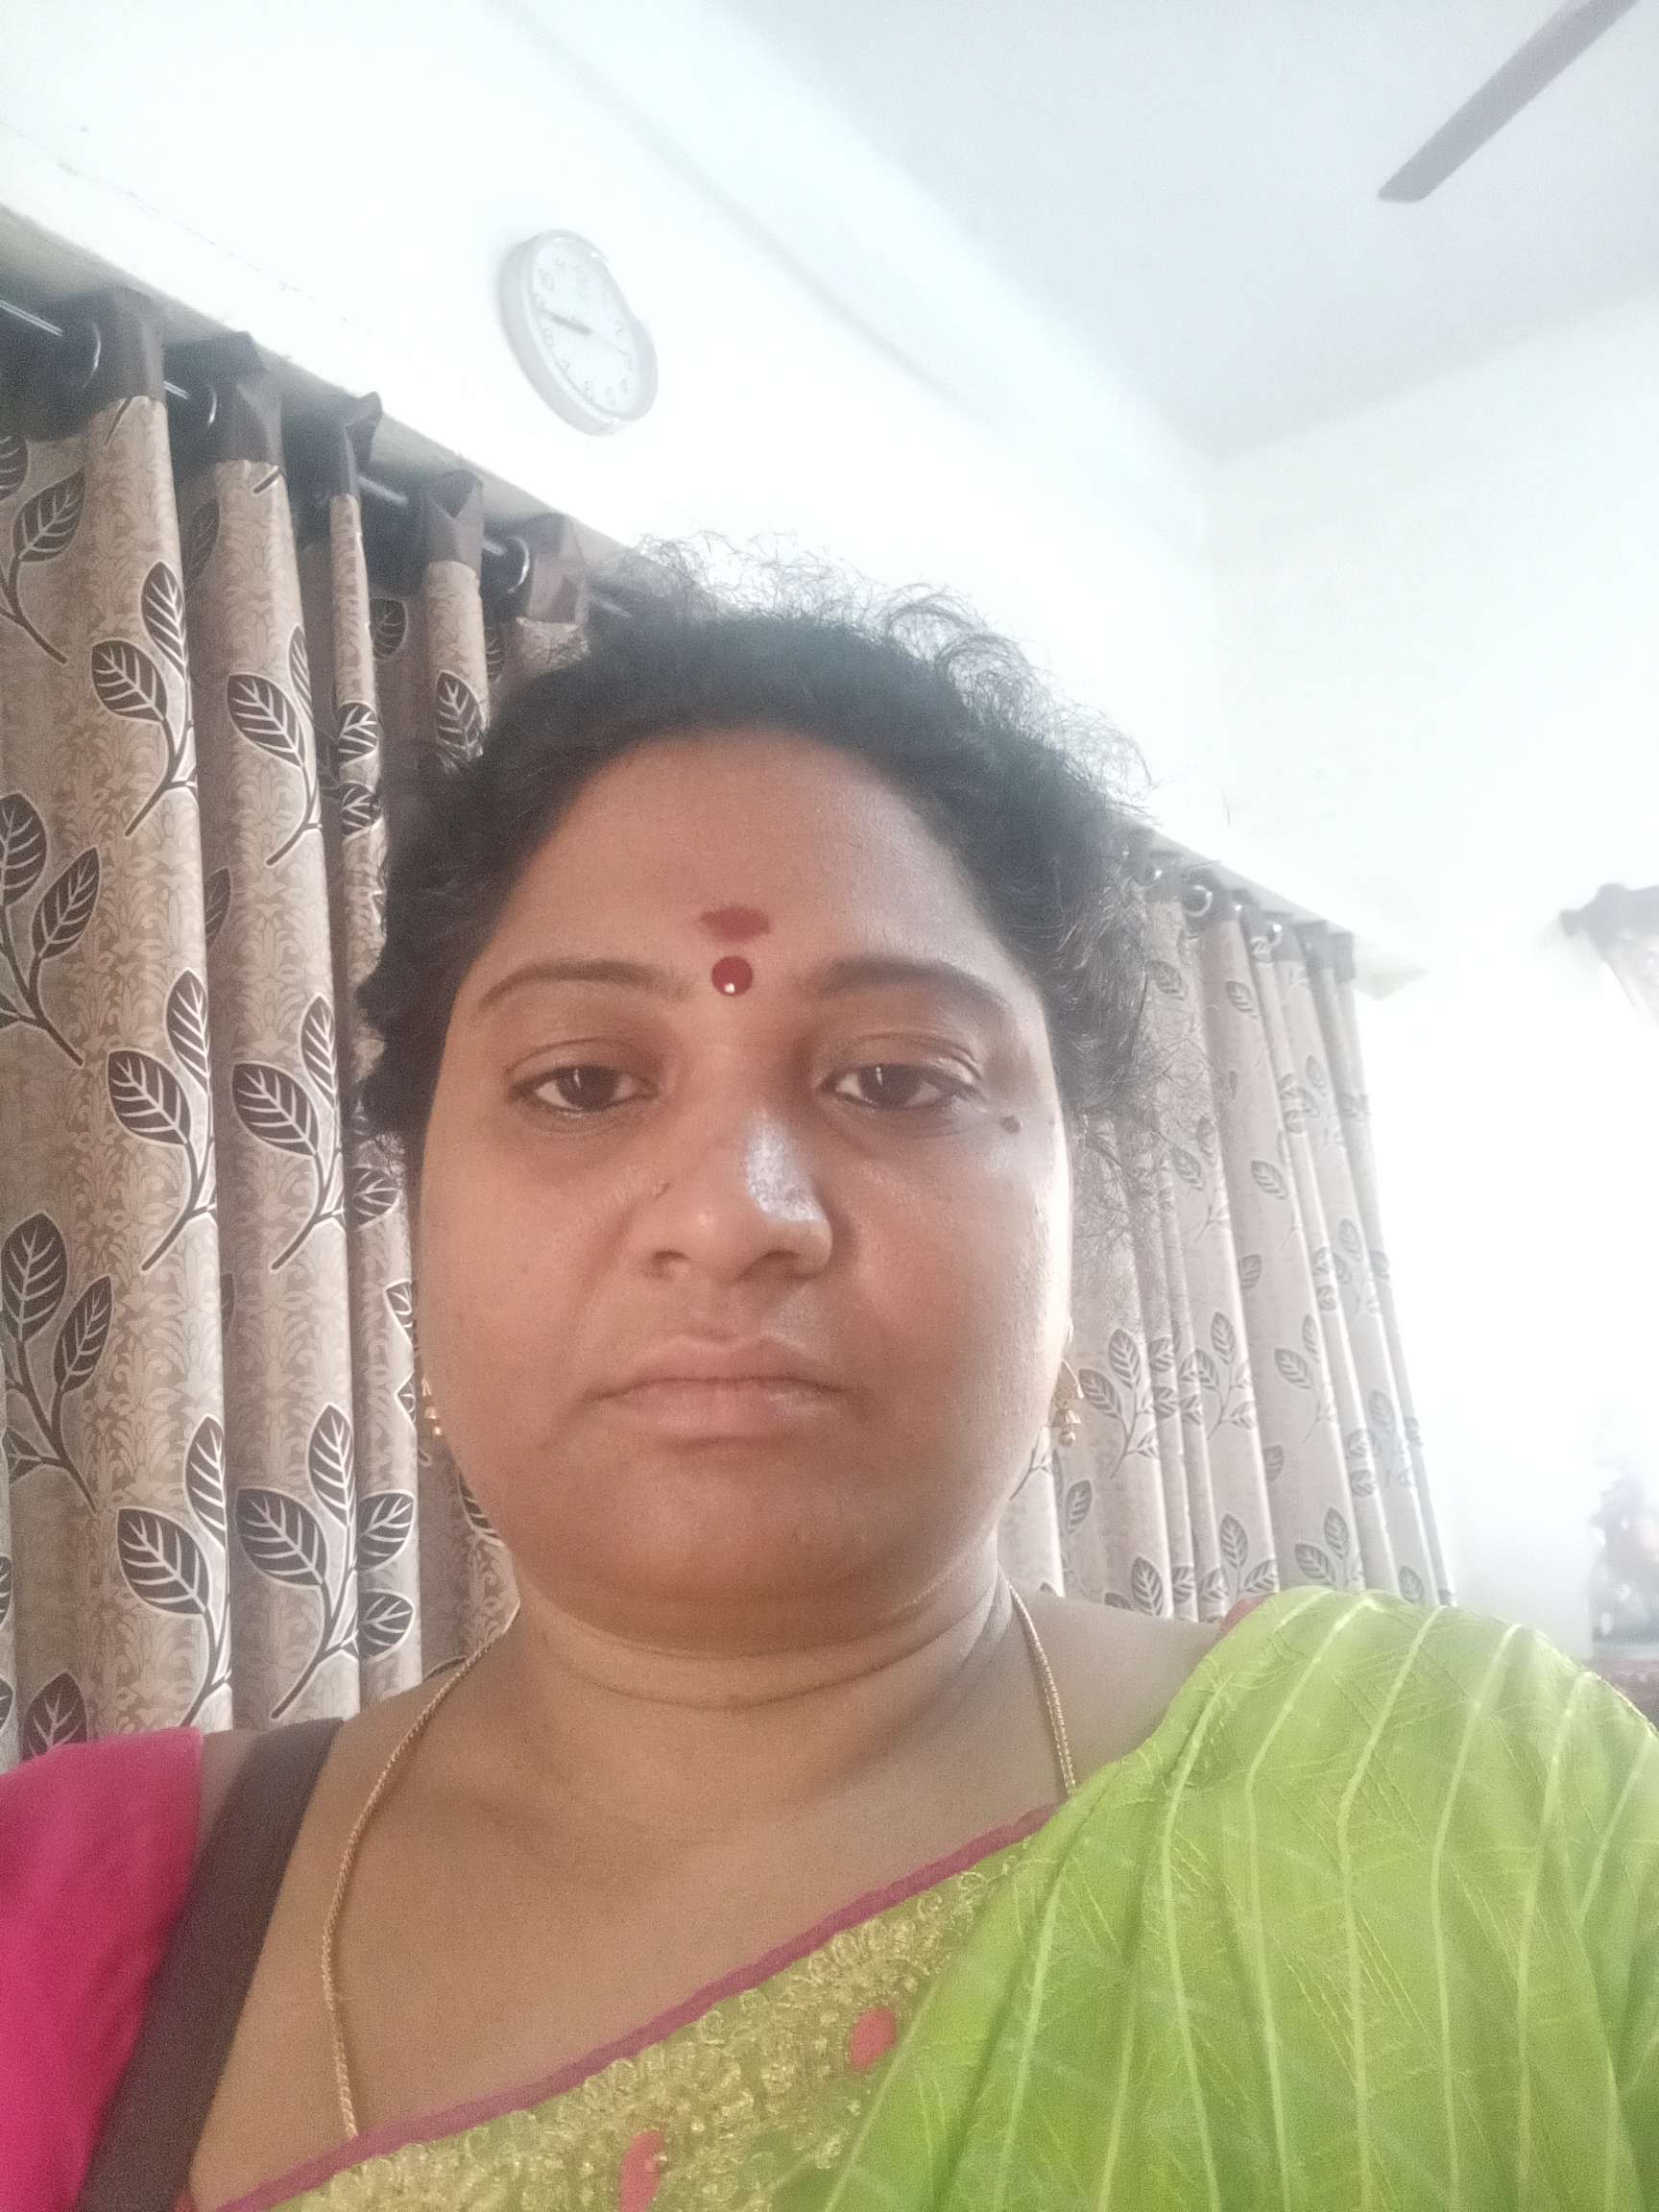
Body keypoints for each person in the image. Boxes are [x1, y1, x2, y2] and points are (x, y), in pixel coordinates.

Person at [3, 566, 1656, 2212]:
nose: (736, 1216)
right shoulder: (63, 1912)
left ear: (1075, 1221)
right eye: (582, 1082)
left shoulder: (1483, 1810)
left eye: (896, 1079)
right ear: (421, 1210)